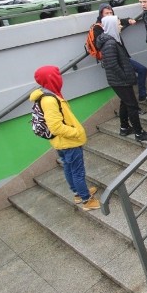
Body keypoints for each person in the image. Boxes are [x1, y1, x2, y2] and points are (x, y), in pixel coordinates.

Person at [30, 65, 99, 210]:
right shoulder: (49, 100)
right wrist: (76, 132)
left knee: (69, 168)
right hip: (68, 142)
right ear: (51, 78)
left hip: (61, 142)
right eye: (57, 75)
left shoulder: (47, 94)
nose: (60, 78)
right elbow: (55, 126)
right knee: (77, 171)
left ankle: (79, 193)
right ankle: (87, 200)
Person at [96, 16, 147, 142]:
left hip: (118, 80)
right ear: (112, 26)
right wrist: (125, 77)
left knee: (125, 102)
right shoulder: (110, 43)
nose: (121, 26)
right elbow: (112, 64)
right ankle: (139, 133)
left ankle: (124, 128)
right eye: (118, 24)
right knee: (132, 105)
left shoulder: (111, 40)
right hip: (120, 81)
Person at [91, 4, 147, 102]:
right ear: (101, 15)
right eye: (106, 13)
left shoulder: (114, 22)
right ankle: (137, 101)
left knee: (141, 71)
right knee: (126, 84)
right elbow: (100, 44)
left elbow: (121, 21)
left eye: (111, 12)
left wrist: (128, 20)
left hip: (123, 57)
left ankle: (141, 96)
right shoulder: (98, 28)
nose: (109, 15)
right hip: (116, 60)